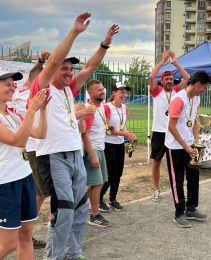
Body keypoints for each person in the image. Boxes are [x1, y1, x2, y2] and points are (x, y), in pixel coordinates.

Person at [30, 12, 119, 259]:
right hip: (53, 155)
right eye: (64, 68)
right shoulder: (44, 86)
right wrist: (75, 32)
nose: (69, 72)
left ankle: (73, 253)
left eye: (71, 68)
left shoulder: (70, 89)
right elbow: (55, 59)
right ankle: (54, 256)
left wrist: (105, 43)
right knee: (64, 209)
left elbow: (92, 65)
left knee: (80, 208)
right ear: (53, 69)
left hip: (74, 154)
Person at [0, 72, 49, 259]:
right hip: (6, 182)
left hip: (24, 176)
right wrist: (30, 111)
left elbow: (41, 133)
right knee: (8, 243)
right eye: (7, 84)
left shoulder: (12, 114)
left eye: (14, 84)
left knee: (26, 233)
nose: (13, 87)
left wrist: (42, 110)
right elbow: (18, 141)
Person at [11, 49, 50, 249]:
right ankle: (25, 231)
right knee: (39, 192)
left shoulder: (19, 91)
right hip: (33, 148)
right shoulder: (31, 94)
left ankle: (23, 231)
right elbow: (35, 77)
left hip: (27, 147)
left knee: (36, 191)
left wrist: (40, 61)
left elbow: (33, 75)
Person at [165, 70, 211, 228]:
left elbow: (195, 121)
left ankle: (191, 208)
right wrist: (186, 146)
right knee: (177, 180)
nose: (204, 91)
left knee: (193, 177)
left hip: (190, 145)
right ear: (198, 85)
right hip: (175, 147)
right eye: (204, 88)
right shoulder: (179, 99)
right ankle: (179, 213)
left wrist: (196, 143)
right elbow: (171, 127)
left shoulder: (196, 99)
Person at [148, 50, 190, 202]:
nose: (169, 80)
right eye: (166, 78)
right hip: (159, 131)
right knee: (157, 161)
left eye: (171, 78)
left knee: (178, 163)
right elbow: (151, 76)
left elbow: (187, 78)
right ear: (162, 80)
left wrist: (175, 63)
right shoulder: (156, 91)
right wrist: (162, 60)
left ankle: (179, 189)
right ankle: (156, 189)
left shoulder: (177, 91)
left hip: (173, 132)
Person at [99, 83, 136, 212]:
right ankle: (98, 198)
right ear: (114, 92)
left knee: (118, 173)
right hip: (108, 144)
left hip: (119, 143)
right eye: (121, 92)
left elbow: (122, 126)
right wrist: (124, 133)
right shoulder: (107, 108)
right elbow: (107, 130)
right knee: (110, 174)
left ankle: (113, 199)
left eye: (126, 92)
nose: (124, 95)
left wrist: (129, 133)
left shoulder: (124, 108)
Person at [82, 80, 112, 227]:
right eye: (98, 90)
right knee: (96, 183)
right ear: (90, 93)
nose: (102, 92)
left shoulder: (99, 108)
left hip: (99, 149)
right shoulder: (89, 109)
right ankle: (94, 215)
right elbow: (84, 134)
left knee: (94, 184)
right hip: (93, 150)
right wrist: (92, 155)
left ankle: (81, 210)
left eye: (102, 89)